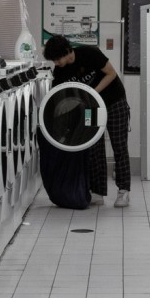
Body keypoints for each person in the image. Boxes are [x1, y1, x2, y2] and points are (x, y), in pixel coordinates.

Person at [43, 35, 130, 207]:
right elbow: (60, 97)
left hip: (114, 101)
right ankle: (98, 192)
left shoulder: (90, 53)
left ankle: (124, 191)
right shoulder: (60, 71)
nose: (56, 63)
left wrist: (91, 93)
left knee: (119, 146)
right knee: (94, 148)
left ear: (67, 52)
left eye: (57, 58)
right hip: (91, 109)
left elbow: (111, 74)